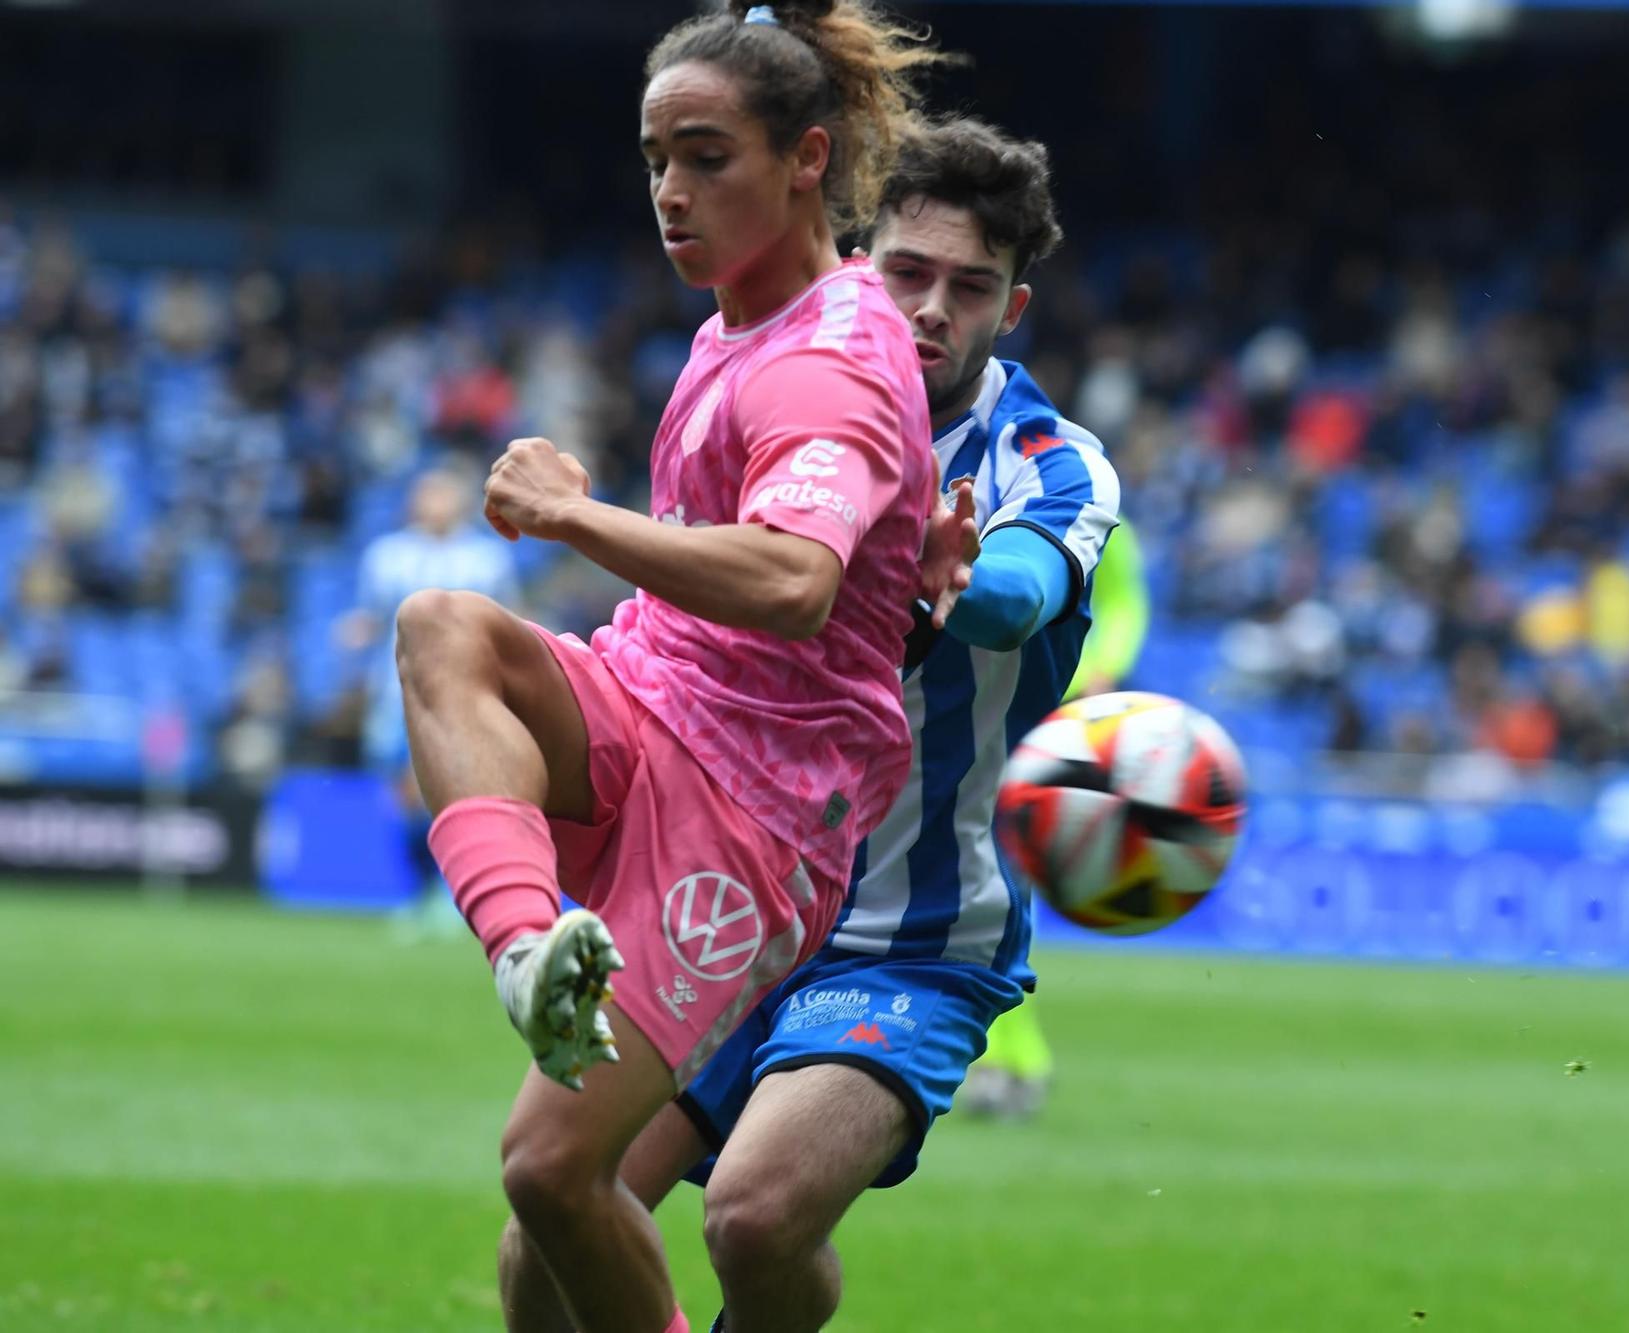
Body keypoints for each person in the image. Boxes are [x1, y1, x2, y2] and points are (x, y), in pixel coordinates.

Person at [392, 5, 971, 1331]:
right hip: (650, 706)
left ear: (807, 159)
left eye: (706, 157)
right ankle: (532, 956)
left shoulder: (828, 358)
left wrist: (572, 517)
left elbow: (791, 580)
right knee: (444, 626)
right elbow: (849, 591)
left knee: (550, 1172)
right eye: (655, 156)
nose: (670, 191)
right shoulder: (735, 328)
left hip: (751, 810)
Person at [497, 116, 1119, 1333]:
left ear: (1014, 306)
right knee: (546, 1235)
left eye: (970, 287)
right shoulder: (784, 395)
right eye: (907, 273)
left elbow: (1019, 592)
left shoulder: (1048, 462)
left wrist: (916, 577)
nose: (933, 308)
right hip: (734, 882)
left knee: (754, 1213)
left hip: (912, 932)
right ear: (854, 255)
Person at [959, 518, 1148, 1119]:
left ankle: (1010, 1063)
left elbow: (1124, 606)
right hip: (991, 717)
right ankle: (1010, 1062)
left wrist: (1101, 667)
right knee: (992, 888)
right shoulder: (977, 500)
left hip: (1065, 724)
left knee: (999, 885)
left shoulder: (1098, 513)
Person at [338, 465, 519, 936]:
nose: (433, 504)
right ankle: (423, 892)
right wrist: (357, 634)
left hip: (466, 693)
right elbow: (373, 618)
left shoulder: (486, 559)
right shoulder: (387, 556)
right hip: (395, 693)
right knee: (407, 799)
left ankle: (450, 895)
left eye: (442, 495)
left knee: (456, 793)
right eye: (426, 495)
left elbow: (508, 621)